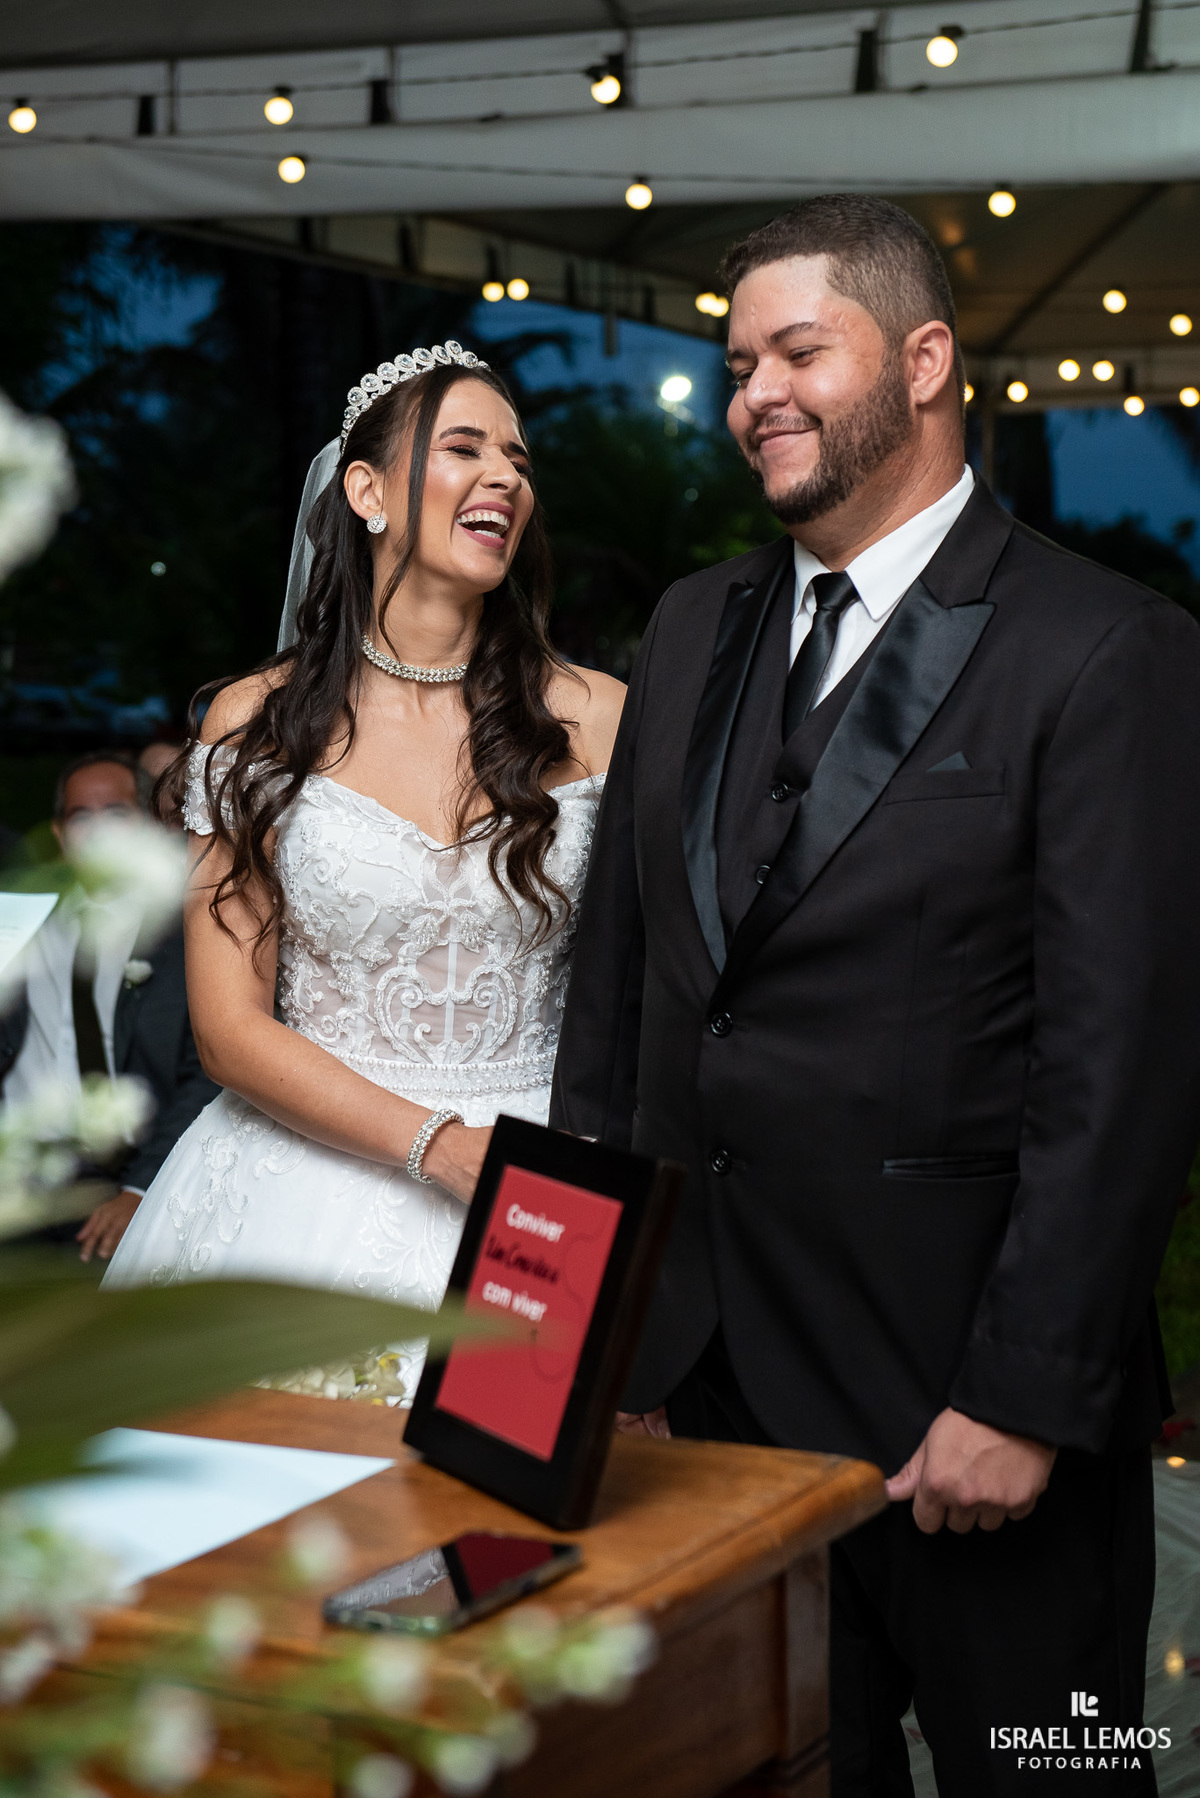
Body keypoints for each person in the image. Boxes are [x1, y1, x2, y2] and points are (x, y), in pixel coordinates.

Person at [550, 196, 1200, 1795]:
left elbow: (1121, 1069)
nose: (754, 394)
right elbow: (616, 1012)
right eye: (735, 365)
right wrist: (581, 1352)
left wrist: (1023, 1398)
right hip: (711, 1404)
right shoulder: (690, 624)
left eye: (797, 352)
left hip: (967, 1414)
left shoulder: (1106, 647)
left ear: (923, 362)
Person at [103, 341, 623, 1401]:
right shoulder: (256, 721)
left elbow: (646, 984)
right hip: (296, 1191)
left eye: (519, 459)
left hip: (539, 1193)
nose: (505, 477)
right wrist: (438, 1146)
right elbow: (228, 1027)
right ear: (367, 491)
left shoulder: (600, 715)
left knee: (517, 1488)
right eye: (465, 448)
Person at [0, 750, 219, 1260]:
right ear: (60, 834)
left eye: (116, 814)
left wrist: (141, 1189)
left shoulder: (188, 936)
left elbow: (208, 1075)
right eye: (81, 817)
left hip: (121, 1174)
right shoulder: (22, 921)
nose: (98, 832)